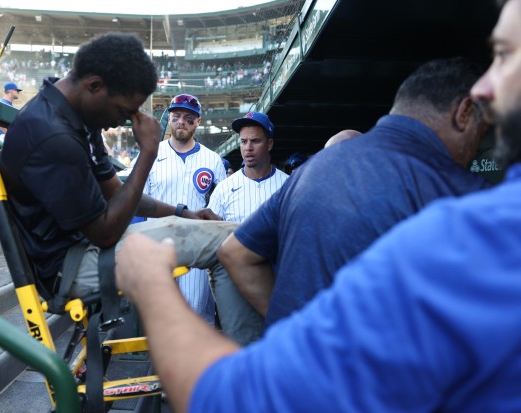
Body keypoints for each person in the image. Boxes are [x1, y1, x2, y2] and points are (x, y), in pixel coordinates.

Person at [114, 2, 521, 409]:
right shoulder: (461, 204)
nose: (487, 87)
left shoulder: (317, 172)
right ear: (464, 112)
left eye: (504, 56)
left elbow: (234, 394)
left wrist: (151, 285)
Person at [218, 56, 493, 327]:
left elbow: (236, 253)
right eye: (481, 131)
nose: (472, 149)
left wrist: (292, 328)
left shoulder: (310, 170)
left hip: (292, 360)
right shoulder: (456, 192)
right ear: (465, 113)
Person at [0, 33, 236, 309]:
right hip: (72, 267)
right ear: (95, 85)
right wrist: (148, 153)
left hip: (88, 247)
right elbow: (106, 233)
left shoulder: (76, 117)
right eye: (124, 109)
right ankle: (255, 348)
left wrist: (183, 213)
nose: (122, 120)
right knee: (230, 242)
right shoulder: (53, 135)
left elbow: (118, 194)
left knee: (232, 234)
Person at [138, 93, 226, 324]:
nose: (181, 122)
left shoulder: (212, 159)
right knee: (159, 315)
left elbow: (219, 206)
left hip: (196, 246)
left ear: (198, 122)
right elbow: (137, 199)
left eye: (189, 118)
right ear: (170, 118)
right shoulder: (151, 153)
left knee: (197, 311)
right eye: (176, 116)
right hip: (158, 243)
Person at [207, 112, 289, 344]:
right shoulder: (224, 188)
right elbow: (213, 239)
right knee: (239, 344)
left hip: (275, 281)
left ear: (270, 144)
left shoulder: (287, 185)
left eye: (256, 141)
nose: (248, 148)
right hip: (235, 281)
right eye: (243, 142)